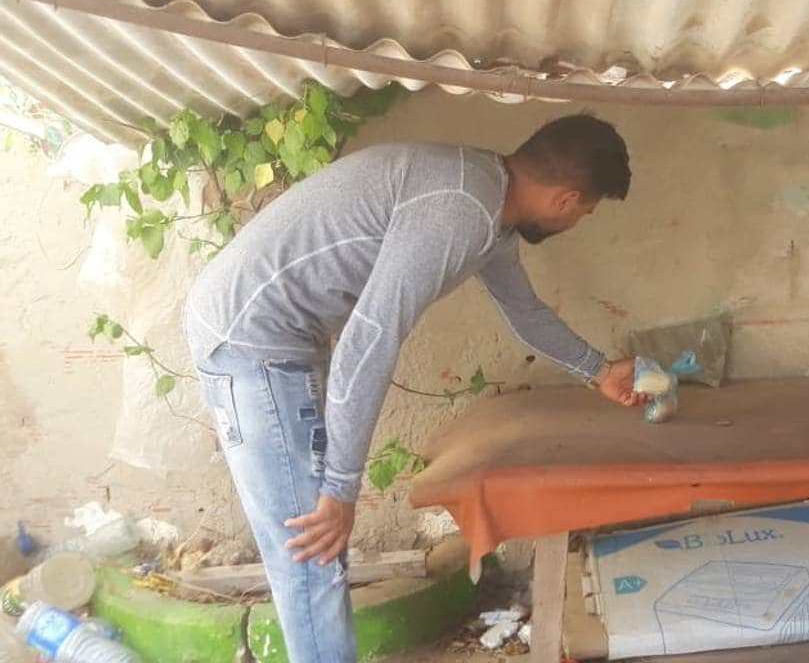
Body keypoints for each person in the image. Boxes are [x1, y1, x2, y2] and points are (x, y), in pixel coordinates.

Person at [183, 114, 642, 662]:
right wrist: (341, 489)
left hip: (277, 334)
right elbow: (369, 340)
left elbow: (525, 312)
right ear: (566, 201)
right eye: (585, 212)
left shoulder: (485, 203)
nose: (577, 221)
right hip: (250, 341)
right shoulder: (459, 210)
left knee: (317, 548)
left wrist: (598, 369)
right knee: (312, 551)